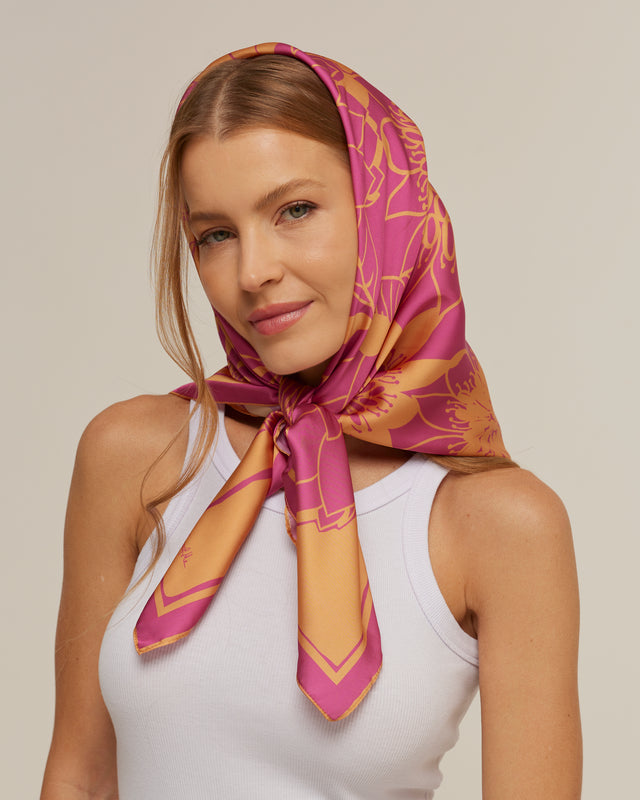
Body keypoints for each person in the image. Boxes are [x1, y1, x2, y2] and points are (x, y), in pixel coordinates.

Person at [41, 43, 581, 799]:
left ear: (384, 211)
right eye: (215, 234)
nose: (253, 270)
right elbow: (79, 779)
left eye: (294, 211)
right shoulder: (135, 456)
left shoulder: (498, 524)